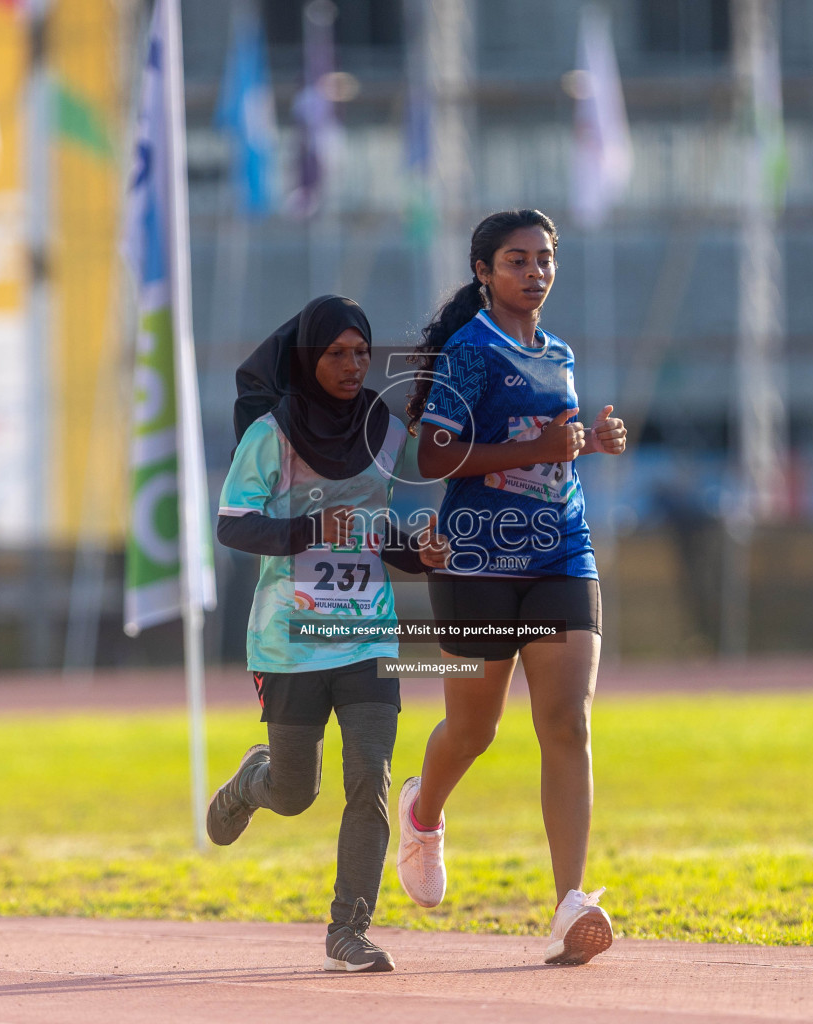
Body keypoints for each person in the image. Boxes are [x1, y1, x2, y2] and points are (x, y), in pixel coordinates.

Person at [394, 209, 628, 966]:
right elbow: (431, 459)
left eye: (544, 260)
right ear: (484, 273)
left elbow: (553, 452)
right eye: (517, 261)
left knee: (568, 723)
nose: (534, 273)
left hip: (562, 549)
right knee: (475, 731)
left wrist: (590, 443)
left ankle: (570, 904)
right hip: (477, 562)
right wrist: (538, 444)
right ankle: (423, 815)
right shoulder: (468, 351)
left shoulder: (557, 351)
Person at [206, 295, 449, 973]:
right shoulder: (272, 433)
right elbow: (232, 523)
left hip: (368, 636)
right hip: (289, 640)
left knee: (370, 777)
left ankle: (350, 930)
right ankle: (251, 782)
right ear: (309, 359)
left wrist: (416, 551)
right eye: (336, 354)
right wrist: (311, 529)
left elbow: (374, 527)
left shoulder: (382, 427)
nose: (352, 365)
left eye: (362, 353)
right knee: (295, 793)